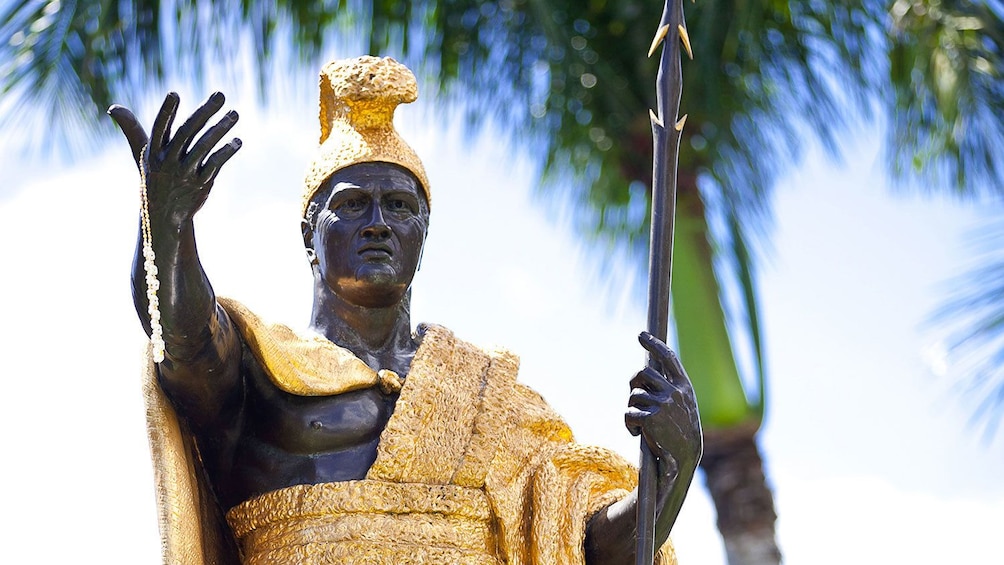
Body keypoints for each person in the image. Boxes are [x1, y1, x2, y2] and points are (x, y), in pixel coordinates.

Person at [111, 56, 702, 565]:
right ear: (308, 235)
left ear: (424, 232)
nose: (378, 224)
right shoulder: (260, 365)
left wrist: (670, 471)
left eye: (399, 206)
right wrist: (166, 227)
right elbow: (182, 334)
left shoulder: (486, 396)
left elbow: (590, 550)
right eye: (353, 205)